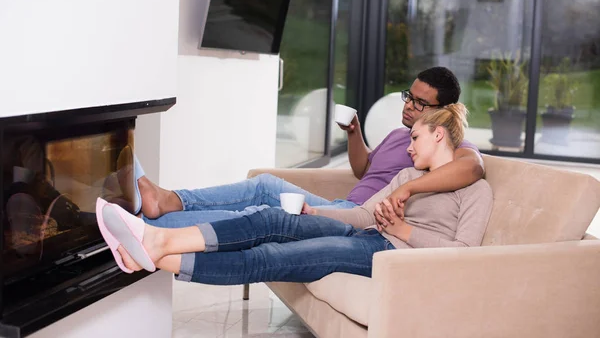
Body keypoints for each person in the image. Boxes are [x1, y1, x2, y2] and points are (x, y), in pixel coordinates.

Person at [97, 103, 493, 284]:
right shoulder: (407, 173)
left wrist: (404, 232)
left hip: (390, 255)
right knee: (273, 218)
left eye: (416, 137)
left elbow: (463, 252)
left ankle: (156, 252)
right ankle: (158, 238)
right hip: (365, 233)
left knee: (272, 257)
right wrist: (313, 214)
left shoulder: (475, 189)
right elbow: (360, 216)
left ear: (439, 134)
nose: (409, 146)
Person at [133, 66, 484, 229]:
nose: (408, 105)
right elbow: (364, 171)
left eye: (421, 103)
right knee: (262, 200)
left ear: (442, 112)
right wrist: (354, 133)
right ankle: (163, 217)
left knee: (265, 189)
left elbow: (474, 168)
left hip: (360, 216)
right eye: (409, 96)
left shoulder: (448, 147)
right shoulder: (400, 135)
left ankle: (169, 207)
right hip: (343, 207)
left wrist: (408, 187)